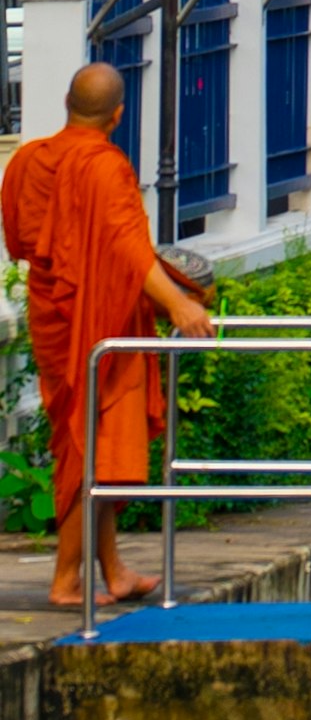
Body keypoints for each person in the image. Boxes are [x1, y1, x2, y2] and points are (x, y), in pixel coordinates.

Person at [4, 64, 213, 608]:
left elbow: (23, 241)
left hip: (54, 314)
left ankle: (112, 569)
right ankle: (67, 580)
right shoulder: (105, 166)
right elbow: (126, 248)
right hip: (98, 322)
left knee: (86, 440)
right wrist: (178, 303)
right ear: (118, 115)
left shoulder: (28, 160)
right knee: (89, 445)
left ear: (66, 101)